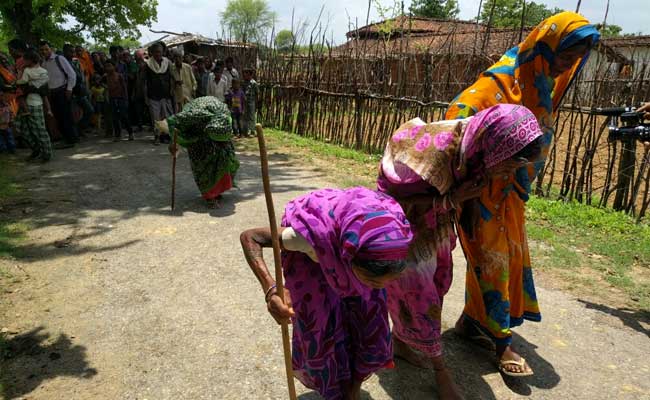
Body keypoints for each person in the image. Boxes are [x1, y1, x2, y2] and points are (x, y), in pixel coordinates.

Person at [443, 12, 600, 376]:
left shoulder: (539, 84)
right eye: (564, 56)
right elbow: (455, 120)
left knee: (506, 258)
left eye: (574, 60)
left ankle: (470, 322)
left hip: (510, 194)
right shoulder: (498, 83)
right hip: (480, 194)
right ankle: (502, 341)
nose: (566, 66)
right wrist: (479, 170)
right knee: (492, 261)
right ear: (545, 47)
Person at [377, 104, 543, 397]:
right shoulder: (433, 156)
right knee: (421, 297)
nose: (508, 172)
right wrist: (449, 200)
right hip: (406, 223)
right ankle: (440, 372)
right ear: (497, 147)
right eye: (509, 165)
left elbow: (468, 198)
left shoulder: (478, 148)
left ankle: (399, 342)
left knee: (439, 282)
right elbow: (394, 201)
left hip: (437, 221)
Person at [240, 186, 414, 400]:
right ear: (346, 260)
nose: (379, 287)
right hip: (317, 265)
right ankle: (335, 390)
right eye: (372, 281)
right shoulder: (309, 238)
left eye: (387, 281)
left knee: (368, 327)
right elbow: (250, 237)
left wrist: (372, 283)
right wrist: (271, 289)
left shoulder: (394, 237)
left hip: (350, 249)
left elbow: (378, 276)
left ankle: (352, 390)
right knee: (323, 331)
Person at [164, 96, 239, 208]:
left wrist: (223, 143)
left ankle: (217, 192)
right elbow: (174, 122)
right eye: (220, 142)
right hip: (197, 137)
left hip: (211, 130)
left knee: (224, 160)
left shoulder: (225, 117)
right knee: (204, 168)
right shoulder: (194, 116)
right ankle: (210, 197)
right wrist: (174, 142)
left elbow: (226, 135)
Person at [14, 50, 53, 162]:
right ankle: (39, 151)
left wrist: (17, 81)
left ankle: (45, 153)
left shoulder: (27, 71)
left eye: (25, 60)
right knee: (32, 130)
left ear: (30, 60)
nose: (23, 62)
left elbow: (23, 82)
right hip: (34, 103)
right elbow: (42, 89)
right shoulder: (43, 72)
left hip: (32, 104)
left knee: (35, 130)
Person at [40, 40, 77, 148]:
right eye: (42, 50)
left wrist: (69, 89)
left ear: (51, 49)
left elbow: (72, 74)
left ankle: (70, 140)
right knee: (58, 117)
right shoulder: (43, 63)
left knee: (66, 116)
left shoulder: (59, 59)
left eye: (46, 49)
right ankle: (67, 139)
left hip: (62, 91)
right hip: (52, 93)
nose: (44, 52)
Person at [144, 42, 174, 144]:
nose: (158, 54)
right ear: (152, 53)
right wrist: (146, 97)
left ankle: (165, 136)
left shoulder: (167, 62)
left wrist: (172, 90)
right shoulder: (147, 64)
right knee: (155, 118)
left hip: (166, 95)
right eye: (156, 52)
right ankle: (156, 136)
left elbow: (172, 77)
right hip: (153, 95)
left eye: (159, 52)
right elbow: (144, 82)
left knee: (166, 117)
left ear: (163, 52)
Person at [63, 44, 93, 135]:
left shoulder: (74, 62)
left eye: (74, 52)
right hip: (71, 92)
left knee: (89, 110)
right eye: (71, 52)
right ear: (65, 52)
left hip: (80, 91)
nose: (73, 54)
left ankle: (79, 128)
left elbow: (82, 75)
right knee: (74, 114)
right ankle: (75, 132)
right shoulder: (63, 63)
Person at [104, 60, 133, 142]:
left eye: (110, 66)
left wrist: (126, 99)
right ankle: (118, 135)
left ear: (114, 66)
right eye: (106, 66)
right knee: (115, 118)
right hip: (112, 98)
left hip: (121, 98)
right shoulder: (106, 77)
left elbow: (124, 87)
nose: (108, 68)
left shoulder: (119, 76)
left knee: (124, 116)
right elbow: (105, 87)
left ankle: (130, 132)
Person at [241, 67, 258, 136]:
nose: (244, 75)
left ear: (250, 75)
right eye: (243, 74)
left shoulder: (253, 83)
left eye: (246, 74)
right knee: (245, 116)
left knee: (251, 116)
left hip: (251, 101)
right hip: (244, 102)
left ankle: (252, 130)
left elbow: (257, 94)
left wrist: (256, 103)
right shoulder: (243, 83)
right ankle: (245, 130)